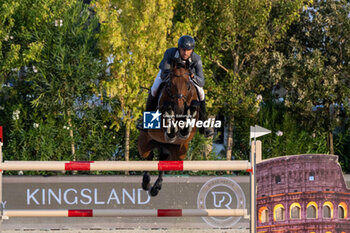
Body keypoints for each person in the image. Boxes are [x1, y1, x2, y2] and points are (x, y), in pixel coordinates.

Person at [145, 35, 214, 137]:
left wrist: (192, 76)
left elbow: (202, 81)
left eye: (188, 50)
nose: (185, 53)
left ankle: (203, 125)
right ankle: (148, 121)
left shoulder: (196, 59)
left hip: (188, 76)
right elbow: (164, 73)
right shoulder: (170, 53)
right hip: (169, 74)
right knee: (154, 89)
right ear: (179, 48)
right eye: (183, 50)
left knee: (201, 93)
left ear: (192, 50)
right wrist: (174, 76)